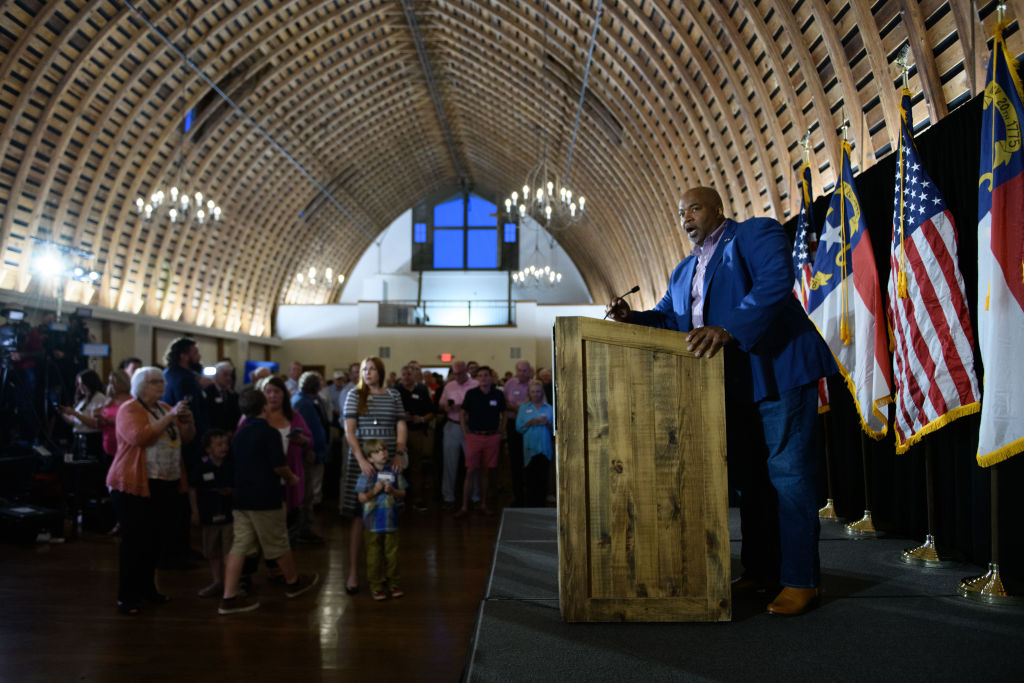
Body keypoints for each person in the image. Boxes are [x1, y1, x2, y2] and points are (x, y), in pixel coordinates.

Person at [605, 186, 837, 617]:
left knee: (789, 478)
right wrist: (630, 317)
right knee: (752, 483)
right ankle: (762, 571)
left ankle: (801, 581)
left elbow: (774, 282)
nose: (686, 218)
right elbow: (671, 319)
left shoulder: (755, 233)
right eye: (680, 213)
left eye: (693, 208)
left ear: (717, 209)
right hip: (731, 387)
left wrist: (727, 328)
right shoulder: (681, 271)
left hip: (779, 372)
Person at [218, 390, 319, 615]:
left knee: (240, 545)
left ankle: (228, 596)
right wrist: (292, 478)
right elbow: (278, 466)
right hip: (265, 497)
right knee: (278, 542)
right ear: (264, 407)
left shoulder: (240, 434)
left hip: (241, 499)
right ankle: (293, 583)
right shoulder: (269, 433)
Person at [105, 366, 195, 615]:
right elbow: (140, 437)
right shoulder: (129, 409)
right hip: (134, 484)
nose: (161, 385)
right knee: (135, 541)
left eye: (162, 382)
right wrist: (170, 416)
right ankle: (127, 596)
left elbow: (185, 439)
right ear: (140, 385)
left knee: (155, 540)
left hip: (164, 482)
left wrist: (188, 421)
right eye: (155, 382)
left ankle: (148, 589)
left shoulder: (164, 408)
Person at [340, 357, 407, 595]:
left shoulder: (394, 396)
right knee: (360, 515)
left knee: (387, 510)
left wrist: (399, 453)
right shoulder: (354, 395)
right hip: (363, 462)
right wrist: (360, 459)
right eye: (364, 369)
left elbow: (401, 425)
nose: (367, 373)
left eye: (372, 369)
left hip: (388, 460)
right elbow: (349, 430)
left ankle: (387, 574)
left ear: (380, 372)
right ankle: (353, 573)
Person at [247, 375, 312, 545]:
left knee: (288, 521)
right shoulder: (253, 417)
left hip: (288, 473)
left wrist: (302, 441)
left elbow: (309, 440)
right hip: (262, 476)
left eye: (276, 391)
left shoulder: (294, 417)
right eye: (268, 392)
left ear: (284, 394)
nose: (272, 396)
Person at [355, 439, 408, 601]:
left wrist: (393, 491)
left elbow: (403, 493)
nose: (383, 453)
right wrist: (374, 491)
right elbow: (362, 498)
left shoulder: (393, 472)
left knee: (392, 554)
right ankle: (376, 585)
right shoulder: (366, 474)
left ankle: (393, 582)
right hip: (372, 524)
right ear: (369, 458)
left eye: (384, 450)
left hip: (391, 521)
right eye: (377, 452)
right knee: (373, 555)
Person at [189, 429, 234, 598]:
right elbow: (192, 489)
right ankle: (217, 581)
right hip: (209, 516)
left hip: (229, 515)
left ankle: (231, 583)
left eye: (226, 444)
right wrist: (195, 512)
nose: (224, 448)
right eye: (219, 444)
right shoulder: (201, 467)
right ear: (208, 449)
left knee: (230, 551)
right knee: (212, 551)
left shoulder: (231, 465)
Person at [456, 366, 505, 518]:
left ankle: (483, 504)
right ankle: (464, 506)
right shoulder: (471, 394)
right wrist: (465, 432)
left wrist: (500, 432)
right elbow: (463, 413)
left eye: (486, 375)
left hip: (491, 437)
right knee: (470, 471)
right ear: (477, 378)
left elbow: (504, 414)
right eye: (480, 376)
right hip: (474, 436)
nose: (483, 378)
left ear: (491, 377)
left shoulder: (498, 394)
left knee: (486, 472)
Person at [291, 371, 328, 543]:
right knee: (305, 494)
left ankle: (305, 528)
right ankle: (301, 530)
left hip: (316, 453)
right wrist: (308, 450)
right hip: (307, 455)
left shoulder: (312, 400)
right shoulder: (301, 403)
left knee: (309, 494)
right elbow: (301, 432)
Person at [438, 360, 477, 510]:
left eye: (461, 373)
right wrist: (446, 406)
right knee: (449, 463)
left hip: (470, 427)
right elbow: (441, 404)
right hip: (452, 425)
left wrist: (463, 407)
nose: (458, 376)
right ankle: (448, 496)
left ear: (466, 370)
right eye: (455, 373)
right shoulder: (449, 386)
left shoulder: (475, 385)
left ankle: (475, 495)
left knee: (473, 464)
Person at [395, 363, 434, 511]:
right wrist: (401, 416)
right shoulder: (395, 390)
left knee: (416, 466)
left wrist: (421, 419)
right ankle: (398, 498)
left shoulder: (422, 390)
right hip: (399, 432)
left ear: (415, 375)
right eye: (403, 374)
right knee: (398, 466)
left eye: (409, 374)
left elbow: (431, 413)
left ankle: (417, 498)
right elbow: (389, 413)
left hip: (416, 431)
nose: (406, 377)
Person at [516, 380, 554, 507]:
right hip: (529, 448)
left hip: (544, 448)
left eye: (538, 391)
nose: (536, 394)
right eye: (533, 392)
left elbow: (555, 430)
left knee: (543, 479)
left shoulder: (549, 408)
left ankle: (541, 506)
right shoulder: (524, 408)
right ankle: (530, 505)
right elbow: (518, 428)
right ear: (529, 393)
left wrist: (547, 424)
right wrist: (530, 423)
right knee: (530, 479)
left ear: (542, 392)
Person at [502, 361, 533, 507]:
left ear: (530, 371)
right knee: (515, 462)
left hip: (530, 428)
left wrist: (520, 409)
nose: (522, 373)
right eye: (520, 370)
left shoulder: (534, 384)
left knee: (529, 461)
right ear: (516, 370)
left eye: (525, 371)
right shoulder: (509, 384)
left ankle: (530, 496)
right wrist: (517, 408)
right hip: (513, 425)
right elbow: (504, 402)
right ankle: (517, 496)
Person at [60, 369, 108, 460]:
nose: (79, 387)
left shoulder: (98, 397)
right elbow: (74, 421)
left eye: (81, 384)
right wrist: (63, 413)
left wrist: (74, 413)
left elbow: (94, 423)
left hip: (91, 440)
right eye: (78, 384)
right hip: (78, 438)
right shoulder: (84, 399)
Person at [205, 361, 240, 432]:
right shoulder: (208, 392)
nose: (229, 378)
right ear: (216, 375)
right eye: (225, 375)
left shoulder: (233, 394)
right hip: (213, 433)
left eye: (230, 375)